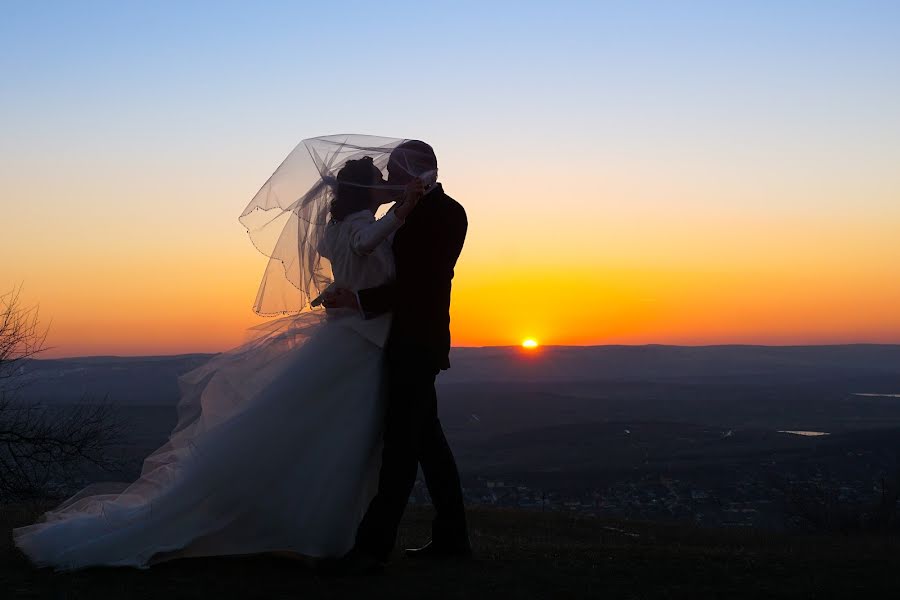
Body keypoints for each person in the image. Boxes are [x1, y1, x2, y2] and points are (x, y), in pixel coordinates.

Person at [13, 137, 425, 571]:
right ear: (365, 191)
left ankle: (312, 528)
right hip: (357, 346)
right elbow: (364, 245)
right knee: (339, 439)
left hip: (350, 339)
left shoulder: (334, 229)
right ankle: (310, 531)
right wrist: (405, 209)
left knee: (326, 437)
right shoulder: (362, 226)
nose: (388, 184)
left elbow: (350, 255)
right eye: (380, 180)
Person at [323, 140, 470, 570]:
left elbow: (423, 284)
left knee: (403, 449)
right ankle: (452, 540)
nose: (386, 180)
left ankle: (371, 550)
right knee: (428, 444)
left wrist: (360, 300)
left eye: (393, 172)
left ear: (415, 172)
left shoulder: (446, 213)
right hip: (393, 339)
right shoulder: (397, 213)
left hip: (415, 341)